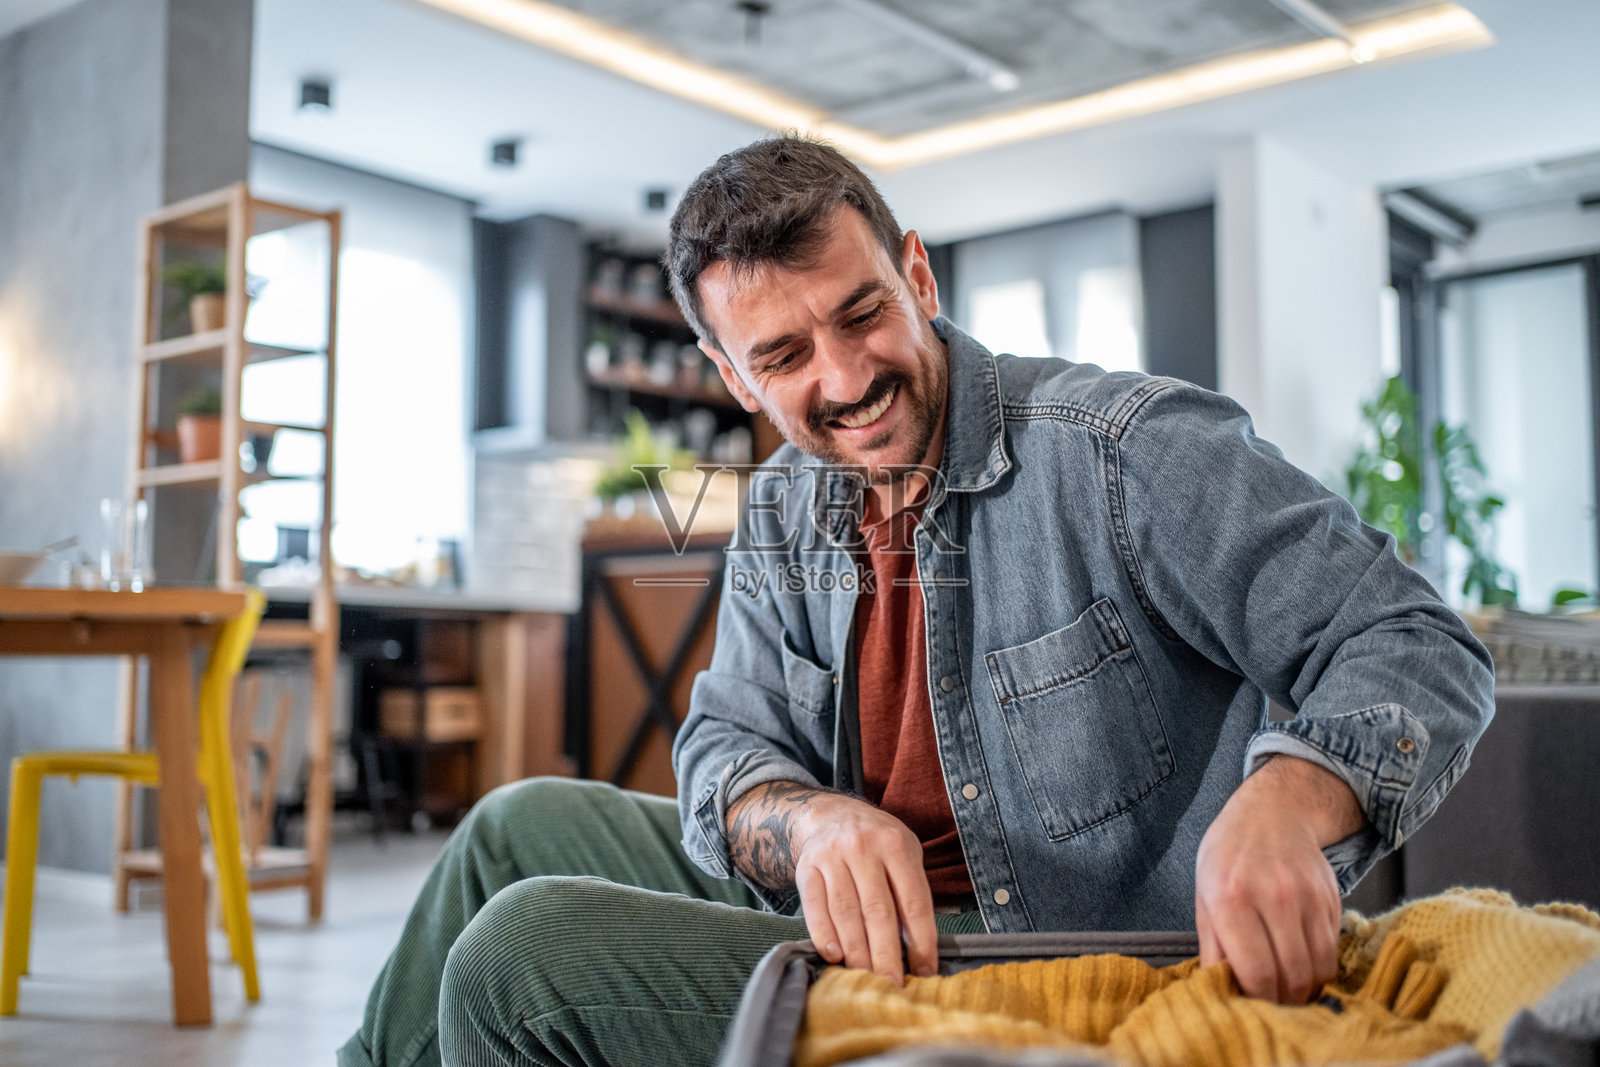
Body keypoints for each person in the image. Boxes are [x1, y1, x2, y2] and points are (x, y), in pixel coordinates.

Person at [338, 135, 1493, 1067]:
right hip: (866, 922)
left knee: (524, 953)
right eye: (783, 355)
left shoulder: (1124, 448)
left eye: (860, 313)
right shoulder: (784, 506)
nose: (843, 380)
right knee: (507, 828)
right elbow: (727, 745)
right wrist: (809, 820)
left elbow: (1413, 640)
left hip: (1055, 952)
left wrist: (1293, 797)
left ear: (918, 276)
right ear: (735, 378)